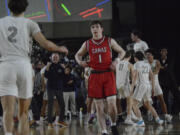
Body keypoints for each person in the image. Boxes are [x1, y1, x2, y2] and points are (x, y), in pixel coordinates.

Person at [0, 0, 68, 135]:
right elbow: (46, 44)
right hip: (24, 66)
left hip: (6, 66)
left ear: (9, 7)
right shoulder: (30, 23)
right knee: (24, 113)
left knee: (7, 110)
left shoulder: (1, 22)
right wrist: (59, 48)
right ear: (25, 7)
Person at [75, 20, 125, 135]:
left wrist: (116, 61)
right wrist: (80, 62)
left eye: (97, 27)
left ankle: (113, 124)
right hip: (95, 75)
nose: (95, 29)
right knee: (99, 106)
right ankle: (103, 131)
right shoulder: (87, 43)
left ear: (101, 29)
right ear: (91, 30)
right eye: (92, 27)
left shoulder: (109, 41)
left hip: (108, 74)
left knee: (112, 105)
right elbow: (77, 55)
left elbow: (122, 52)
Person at [132, 51, 163, 126]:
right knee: (148, 104)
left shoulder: (136, 64)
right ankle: (158, 119)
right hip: (148, 85)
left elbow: (135, 76)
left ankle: (141, 121)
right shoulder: (147, 64)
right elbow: (152, 76)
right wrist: (152, 87)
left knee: (134, 104)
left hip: (141, 85)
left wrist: (131, 87)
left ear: (135, 58)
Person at [145, 49, 172, 122]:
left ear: (152, 55)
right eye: (146, 55)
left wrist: (149, 74)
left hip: (156, 84)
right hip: (147, 84)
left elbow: (156, 71)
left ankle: (166, 115)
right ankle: (150, 112)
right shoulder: (144, 63)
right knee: (148, 101)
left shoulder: (156, 62)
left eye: (149, 55)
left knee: (161, 100)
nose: (147, 56)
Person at [44, 53, 67, 128]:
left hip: (59, 88)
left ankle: (61, 120)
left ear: (59, 58)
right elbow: (46, 75)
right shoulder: (49, 65)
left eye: (56, 57)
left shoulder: (61, 66)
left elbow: (64, 77)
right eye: (54, 57)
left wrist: (64, 69)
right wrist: (47, 67)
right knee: (50, 104)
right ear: (51, 58)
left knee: (62, 105)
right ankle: (50, 122)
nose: (55, 58)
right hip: (50, 87)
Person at [115, 51, 134, 125]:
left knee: (118, 101)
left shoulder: (117, 63)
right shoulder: (130, 64)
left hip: (117, 84)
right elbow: (133, 77)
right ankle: (128, 118)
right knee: (129, 101)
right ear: (130, 56)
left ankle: (119, 117)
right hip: (125, 84)